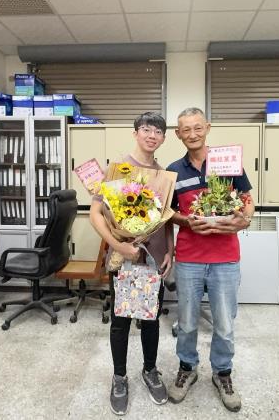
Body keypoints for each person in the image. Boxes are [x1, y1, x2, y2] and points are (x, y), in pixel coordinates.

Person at [165, 107, 254, 412]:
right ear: (178, 134)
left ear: (208, 128)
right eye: (186, 129)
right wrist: (186, 221)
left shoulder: (227, 162)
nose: (192, 134)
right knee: (187, 322)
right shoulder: (173, 171)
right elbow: (167, 212)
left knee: (225, 323)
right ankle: (187, 368)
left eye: (197, 127)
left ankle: (222, 373)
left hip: (225, 257)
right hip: (189, 257)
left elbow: (247, 201)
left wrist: (243, 221)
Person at [89, 112, 174, 416]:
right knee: (121, 319)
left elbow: (166, 219)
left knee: (151, 318)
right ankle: (119, 377)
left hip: (153, 257)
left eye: (158, 131)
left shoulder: (164, 176)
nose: (152, 135)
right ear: (135, 133)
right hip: (124, 257)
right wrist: (119, 246)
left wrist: (170, 251)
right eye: (146, 129)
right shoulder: (118, 169)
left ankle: (150, 370)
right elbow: (95, 214)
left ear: (163, 138)